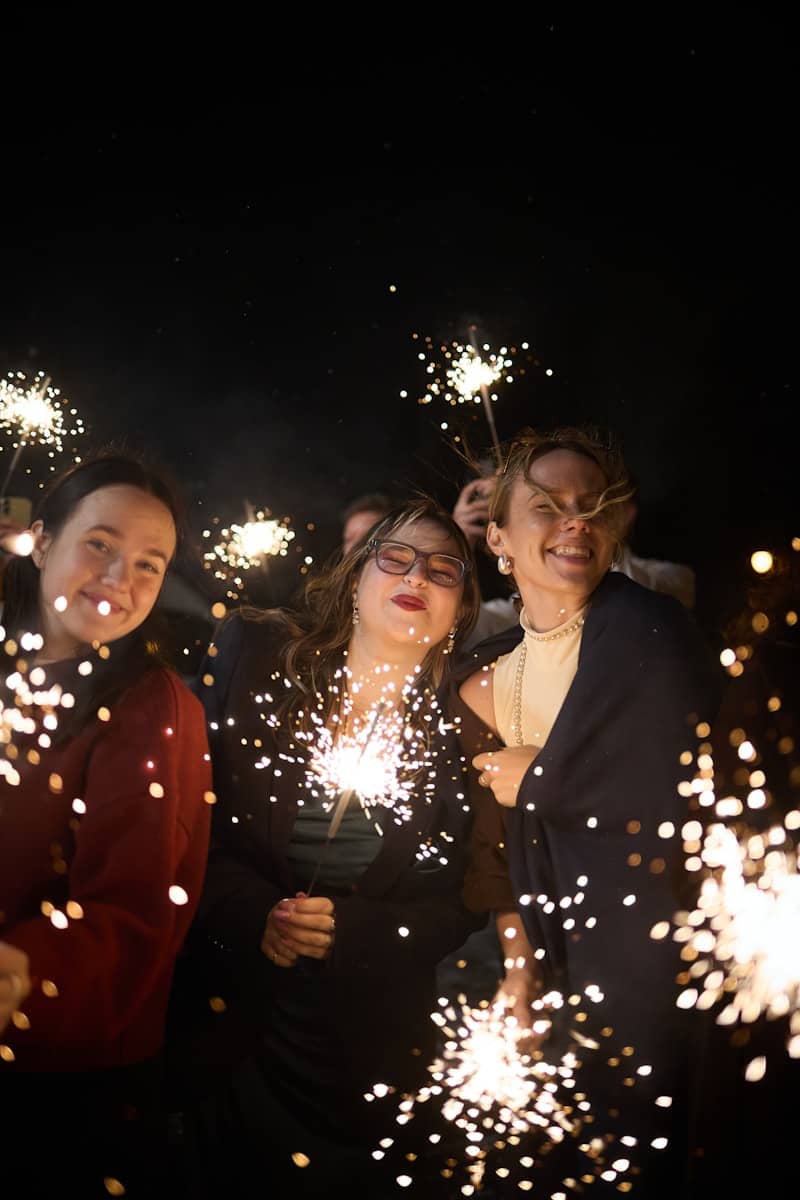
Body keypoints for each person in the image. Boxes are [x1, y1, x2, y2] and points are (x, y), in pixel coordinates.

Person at [166, 495, 506, 1198]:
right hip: (224, 1026)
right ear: (357, 576)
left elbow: (467, 900)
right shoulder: (257, 661)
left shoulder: (467, 726)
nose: (418, 576)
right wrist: (258, 913)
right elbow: (193, 828)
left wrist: (354, 931)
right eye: (397, 558)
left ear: (461, 608)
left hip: (360, 1055)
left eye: (445, 571)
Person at [449, 426, 723, 1197]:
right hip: (547, 951)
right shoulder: (483, 675)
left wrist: (544, 776)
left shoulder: (652, 633)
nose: (576, 521)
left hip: (648, 952)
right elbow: (493, 845)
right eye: (548, 507)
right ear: (498, 536)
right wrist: (518, 970)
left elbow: (697, 791)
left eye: (591, 506)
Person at [0, 451, 213, 1199]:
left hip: (59, 1089)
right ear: (41, 539)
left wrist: (25, 968)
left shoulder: (152, 707)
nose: (121, 580)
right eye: (100, 544)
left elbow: (136, 913)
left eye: (149, 564)